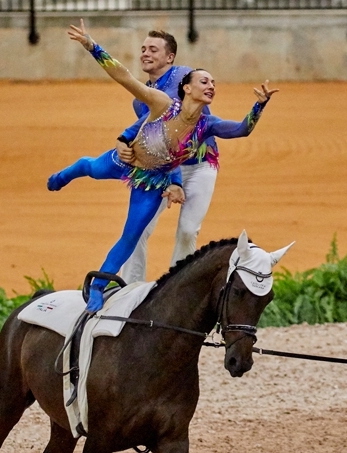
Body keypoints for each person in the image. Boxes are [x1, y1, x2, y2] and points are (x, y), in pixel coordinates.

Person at [48, 20, 278, 313]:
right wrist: (91, 45)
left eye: (213, 83)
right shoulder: (157, 99)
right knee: (90, 167)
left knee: (137, 235)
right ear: (187, 87)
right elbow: (124, 78)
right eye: (204, 82)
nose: (211, 86)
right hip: (136, 162)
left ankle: (110, 288)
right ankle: (71, 172)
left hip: (160, 175)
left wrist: (259, 106)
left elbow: (241, 129)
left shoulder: (203, 118)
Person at [115, 30, 221, 285]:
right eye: (143, 49)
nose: (145, 53)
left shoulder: (182, 79)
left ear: (170, 57)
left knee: (187, 231)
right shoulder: (140, 101)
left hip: (199, 167)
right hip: (163, 168)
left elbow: (170, 123)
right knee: (136, 229)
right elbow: (150, 132)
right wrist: (125, 144)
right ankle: (129, 289)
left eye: (153, 49)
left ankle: (177, 289)